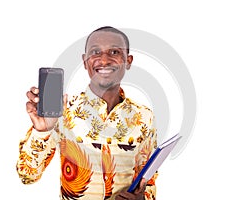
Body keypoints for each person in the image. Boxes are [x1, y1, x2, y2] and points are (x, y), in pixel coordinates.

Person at [16, 26, 158, 200]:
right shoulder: (62, 112)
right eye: (95, 52)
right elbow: (27, 175)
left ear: (128, 61)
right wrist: (42, 131)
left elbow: (148, 180)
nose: (104, 60)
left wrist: (143, 198)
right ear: (85, 62)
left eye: (114, 52)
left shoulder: (144, 116)